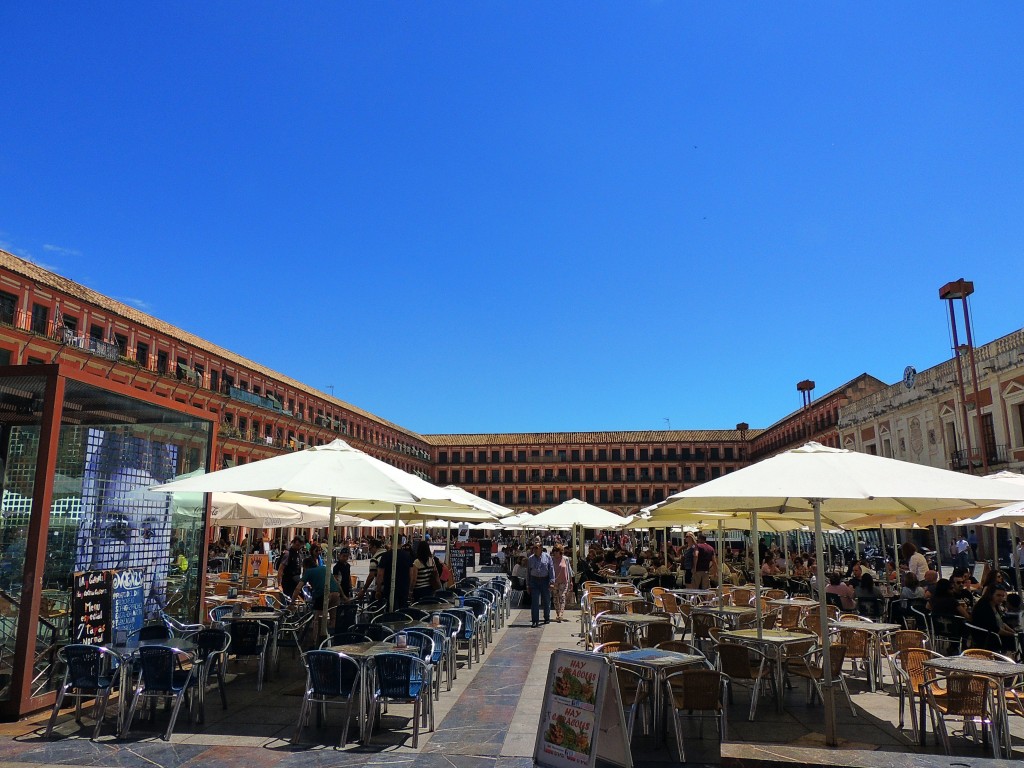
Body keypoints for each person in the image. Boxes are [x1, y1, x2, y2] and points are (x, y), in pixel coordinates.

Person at [293, 555, 341, 634]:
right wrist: (343, 595)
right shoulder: (324, 568)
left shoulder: (308, 572)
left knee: (318, 619)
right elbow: (336, 583)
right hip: (335, 593)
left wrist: (292, 602)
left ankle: (317, 640)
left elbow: (298, 588)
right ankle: (332, 639)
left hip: (323, 594)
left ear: (305, 566)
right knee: (333, 618)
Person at [970, 584, 1017, 652]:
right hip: (988, 637)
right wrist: (1013, 635)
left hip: (995, 633)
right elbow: (995, 629)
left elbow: (1002, 623)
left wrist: (1014, 633)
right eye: (998, 595)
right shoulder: (984, 607)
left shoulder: (995, 605)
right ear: (991, 594)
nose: (1001, 598)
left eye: (1002, 596)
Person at [373, 543, 415, 610]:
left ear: (391, 542)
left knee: (390, 610)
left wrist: (378, 590)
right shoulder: (407, 556)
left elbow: (380, 575)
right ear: (401, 543)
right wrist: (410, 589)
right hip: (404, 589)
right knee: (403, 611)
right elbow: (411, 575)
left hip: (389, 589)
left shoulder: (386, 555)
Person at [526, 537, 555, 628]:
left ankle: (547, 617)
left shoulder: (547, 557)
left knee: (546, 600)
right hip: (534, 581)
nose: (535, 549)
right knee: (535, 601)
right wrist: (528, 584)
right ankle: (535, 620)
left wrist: (552, 581)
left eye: (536, 548)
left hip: (545, 580)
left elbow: (551, 569)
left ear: (541, 548)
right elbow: (528, 572)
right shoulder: (530, 558)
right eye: (534, 548)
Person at [551, 545, 573, 623]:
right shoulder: (551, 560)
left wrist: (571, 581)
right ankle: (557, 612)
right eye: (554, 551)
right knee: (555, 598)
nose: (555, 553)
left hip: (564, 581)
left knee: (562, 597)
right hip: (554, 582)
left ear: (560, 552)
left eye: (557, 551)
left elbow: (569, 571)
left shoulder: (566, 559)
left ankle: (561, 614)